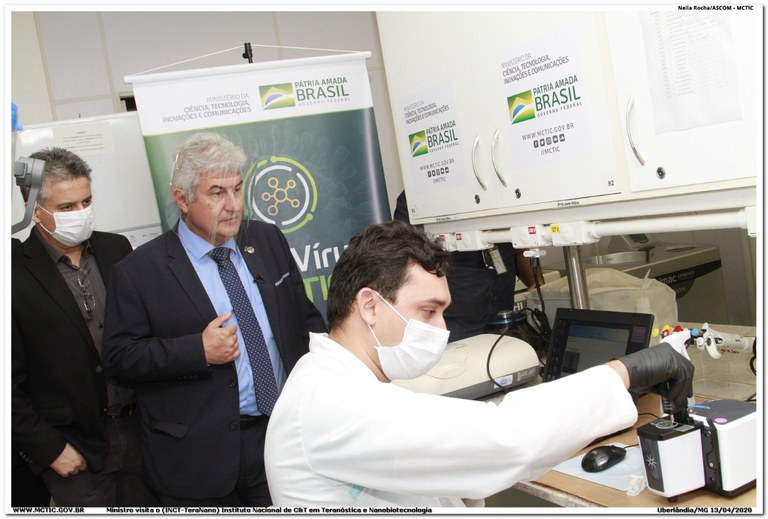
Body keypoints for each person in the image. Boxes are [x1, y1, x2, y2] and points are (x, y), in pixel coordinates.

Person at [264, 220, 694, 506]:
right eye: (428, 311)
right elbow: (504, 436)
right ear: (370, 306)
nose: (442, 328)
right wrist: (627, 370)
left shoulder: (345, 384)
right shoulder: (329, 402)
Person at [102, 132, 327, 506]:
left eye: (238, 189)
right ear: (182, 199)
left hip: (283, 434)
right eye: (217, 193)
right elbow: (119, 358)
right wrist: (196, 350)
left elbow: (305, 319)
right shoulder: (140, 271)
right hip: (197, 457)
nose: (234, 205)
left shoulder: (268, 239)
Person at [12, 147, 156, 506]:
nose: (81, 213)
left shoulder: (117, 248)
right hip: (74, 450)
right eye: (66, 207)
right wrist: (48, 449)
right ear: (35, 211)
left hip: (142, 433)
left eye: (86, 201)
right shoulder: (12, 272)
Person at [393, 191, 542, 341]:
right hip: (456, 328)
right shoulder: (417, 197)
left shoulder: (501, 186)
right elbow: (409, 265)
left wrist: (537, 286)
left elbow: (521, 242)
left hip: (504, 320)